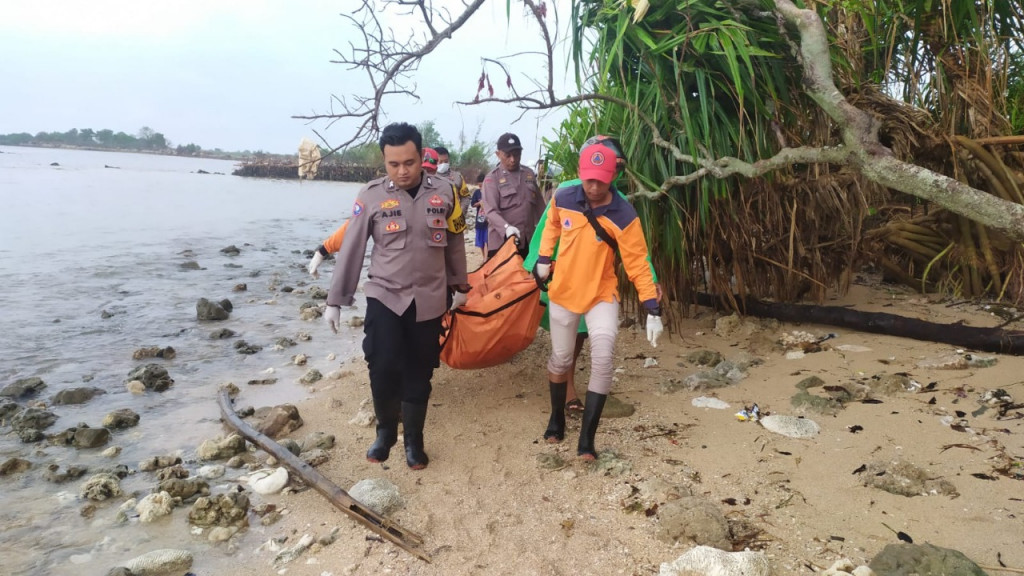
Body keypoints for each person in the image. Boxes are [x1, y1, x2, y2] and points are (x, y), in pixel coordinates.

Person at [325, 122, 469, 470]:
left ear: (421, 157)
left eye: (409, 162)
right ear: (384, 162)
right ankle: (386, 431)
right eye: (394, 164)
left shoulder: (446, 193)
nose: (402, 171)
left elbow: (454, 242)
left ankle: (414, 442)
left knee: (420, 370)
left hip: (429, 298)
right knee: (383, 364)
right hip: (385, 294)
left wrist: (460, 286)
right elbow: (353, 248)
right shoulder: (370, 196)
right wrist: (335, 300)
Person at [533, 141, 663, 461]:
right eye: (588, 178)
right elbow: (551, 226)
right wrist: (543, 257)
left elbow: (637, 261)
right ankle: (556, 417)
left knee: (603, 358)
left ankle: (587, 440)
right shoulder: (563, 197)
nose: (593, 186)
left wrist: (652, 308)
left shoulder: (624, 214)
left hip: (601, 294)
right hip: (563, 291)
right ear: (580, 173)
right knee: (561, 360)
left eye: (600, 180)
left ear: (611, 177)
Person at [481, 132, 545, 259]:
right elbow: (490, 211)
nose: (513, 159)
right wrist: (506, 228)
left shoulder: (529, 174)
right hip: (502, 244)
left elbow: (540, 207)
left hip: (528, 242)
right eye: (508, 155)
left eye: (516, 154)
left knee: (528, 278)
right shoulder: (492, 179)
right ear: (498, 154)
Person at [470, 172, 488, 258]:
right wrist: (479, 203)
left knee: (487, 240)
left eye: (482, 186)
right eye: (479, 186)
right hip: (480, 220)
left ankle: (486, 259)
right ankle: (484, 257)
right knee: (481, 241)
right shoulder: (477, 193)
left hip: (488, 221)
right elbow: (472, 204)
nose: (481, 188)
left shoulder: (490, 191)